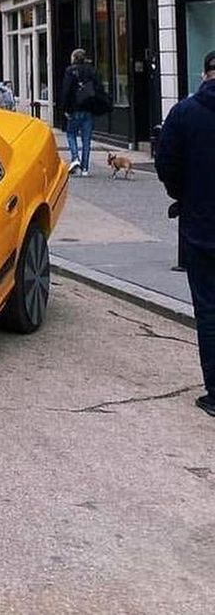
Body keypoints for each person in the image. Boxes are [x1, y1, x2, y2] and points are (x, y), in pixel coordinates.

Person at [154, 50, 215, 419]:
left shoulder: (185, 113)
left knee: (209, 311)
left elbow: (166, 164)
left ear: (205, 74)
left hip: (202, 227)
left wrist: (184, 195)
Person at [59, 47, 100, 176]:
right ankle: (85, 168)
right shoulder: (91, 70)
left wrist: (65, 109)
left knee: (71, 134)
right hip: (88, 109)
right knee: (86, 139)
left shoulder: (70, 71)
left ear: (74, 58)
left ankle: (75, 158)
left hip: (75, 109)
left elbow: (66, 91)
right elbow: (97, 89)